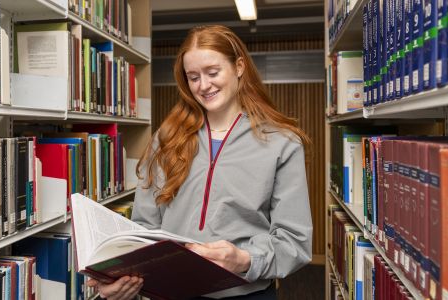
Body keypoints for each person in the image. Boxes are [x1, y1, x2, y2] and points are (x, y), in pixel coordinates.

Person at [87, 24, 313, 299]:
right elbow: (144, 228)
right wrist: (121, 279)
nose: (203, 86)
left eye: (213, 72)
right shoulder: (166, 138)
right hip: (171, 292)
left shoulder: (282, 142)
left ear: (239, 67)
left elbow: (294, 242)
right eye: (193, 77)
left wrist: (245, 259)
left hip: (245, 294)